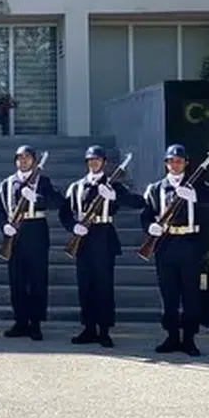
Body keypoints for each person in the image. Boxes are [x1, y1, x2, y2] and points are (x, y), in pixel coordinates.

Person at [140, 144, 209, 356]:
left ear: (186, 163)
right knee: (168, 293)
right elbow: (146, 214)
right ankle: (171, 336)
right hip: (166, 245)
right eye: (171, 161)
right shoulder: (155, 189)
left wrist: (197, 198)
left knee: (190, 294)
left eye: (179, 161)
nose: (175, 164)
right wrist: (149, 226)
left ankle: (189, 338)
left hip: (189, 243)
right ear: (166, 164)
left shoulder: (198, 186)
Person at [58, 145, 145, 347]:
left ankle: (104, 330)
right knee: (85, 286)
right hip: (82, 238)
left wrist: (115, 196)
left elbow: (139, 202)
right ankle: (88, 328)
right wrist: (73, 227)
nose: (94, 163)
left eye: (97, 160)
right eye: (90, 160)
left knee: (103, 286)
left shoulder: (114, 185)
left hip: (103, 236)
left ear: (104, 162)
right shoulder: (76, 186)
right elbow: (64, 213)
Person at [0, 144, 61, 340]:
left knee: (37, 279)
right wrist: (4, 227)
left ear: (34, 161)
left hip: (36, 231)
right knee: (16, 280)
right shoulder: (7, 183)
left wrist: (36, 198)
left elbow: (57, 202)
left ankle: (36, 323)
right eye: (20, 157)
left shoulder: (43, 181)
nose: (23, 161)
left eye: (27, 157)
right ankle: (20, 321)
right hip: (14, 234)